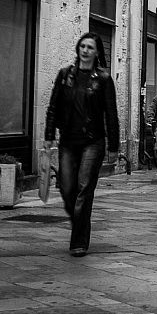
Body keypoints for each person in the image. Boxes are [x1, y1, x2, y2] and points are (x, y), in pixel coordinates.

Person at [45, 33, 120, 257]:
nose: (85, 50)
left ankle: (78, 241)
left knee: (84, 188)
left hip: (93, 141)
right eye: (83, 46)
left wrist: (114, 146)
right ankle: (79, 221)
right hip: (68, 140)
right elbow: (53, 107)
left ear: (97, 52)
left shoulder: (103, 79)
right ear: (78, 48)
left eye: (90, 47)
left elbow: (111, 113)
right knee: (68, 189)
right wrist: (49, 135)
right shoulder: (65, 75)